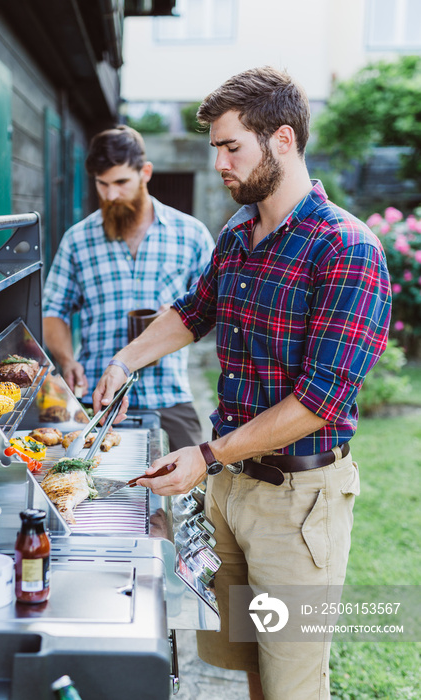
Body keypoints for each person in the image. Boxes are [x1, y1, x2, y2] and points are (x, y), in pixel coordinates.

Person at [93, 67, 392, 700]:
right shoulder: (238, 233)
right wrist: (125, 361)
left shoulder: (347, 248)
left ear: (282, 140)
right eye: (216, 148)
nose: (221, 163)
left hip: (298, 502)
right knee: (254, 666)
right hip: (231, 492)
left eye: (232, 147)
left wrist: (206, 454)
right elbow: (193, 311)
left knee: (294, 684)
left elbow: (320, 401)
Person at [43, 125, 214, 450]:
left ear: (145, 173)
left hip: (167, 393)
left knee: (193, 492)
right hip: (96, 396)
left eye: (121, 182)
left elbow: (213, 310)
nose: (110, 195)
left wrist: (178, 315)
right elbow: (53, 311)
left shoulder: (191, 234)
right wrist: (66, 360)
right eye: (102, 184)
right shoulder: (77, 240)